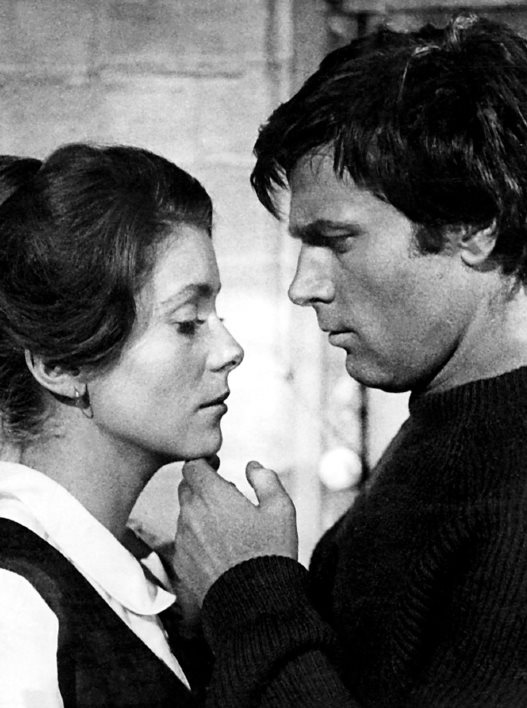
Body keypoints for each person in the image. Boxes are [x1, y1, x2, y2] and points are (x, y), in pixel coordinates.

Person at [173, 14, 527, 707]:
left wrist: (248, 592)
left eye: (336, 240)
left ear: (476, 226)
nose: (303, 286)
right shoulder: (452, 424)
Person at [0, 143, 243, 707]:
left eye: (216, 315)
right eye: (188, 321)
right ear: (61, 366)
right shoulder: (15, 606)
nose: (231, 350)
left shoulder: (140, 570)